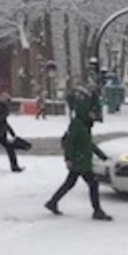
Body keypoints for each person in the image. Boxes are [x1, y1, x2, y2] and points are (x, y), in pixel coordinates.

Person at [45, 86, 112, 220]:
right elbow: (69, 142)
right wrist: (69, 158)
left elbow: (87, 143)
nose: (95, 116)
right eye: (93, 113)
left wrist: (100, 154)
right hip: (79, 161)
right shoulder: (78, 125)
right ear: (87, 111)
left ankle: (52, 202)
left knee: (70, 183)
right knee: (93, 184)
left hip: (81, 160)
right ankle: (97, 211)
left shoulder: (84, 124)